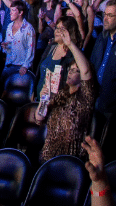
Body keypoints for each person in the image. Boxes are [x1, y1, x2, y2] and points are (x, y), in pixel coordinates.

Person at [35, 23, 97, 162]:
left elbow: (86, 71)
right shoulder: (61, 94)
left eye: (76, 71)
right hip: (48, 155)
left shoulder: (85, 97)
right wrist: (44, 99)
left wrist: (69, 44)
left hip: (69, 159)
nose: (71, 72)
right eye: (70, 69)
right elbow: (39, 119)